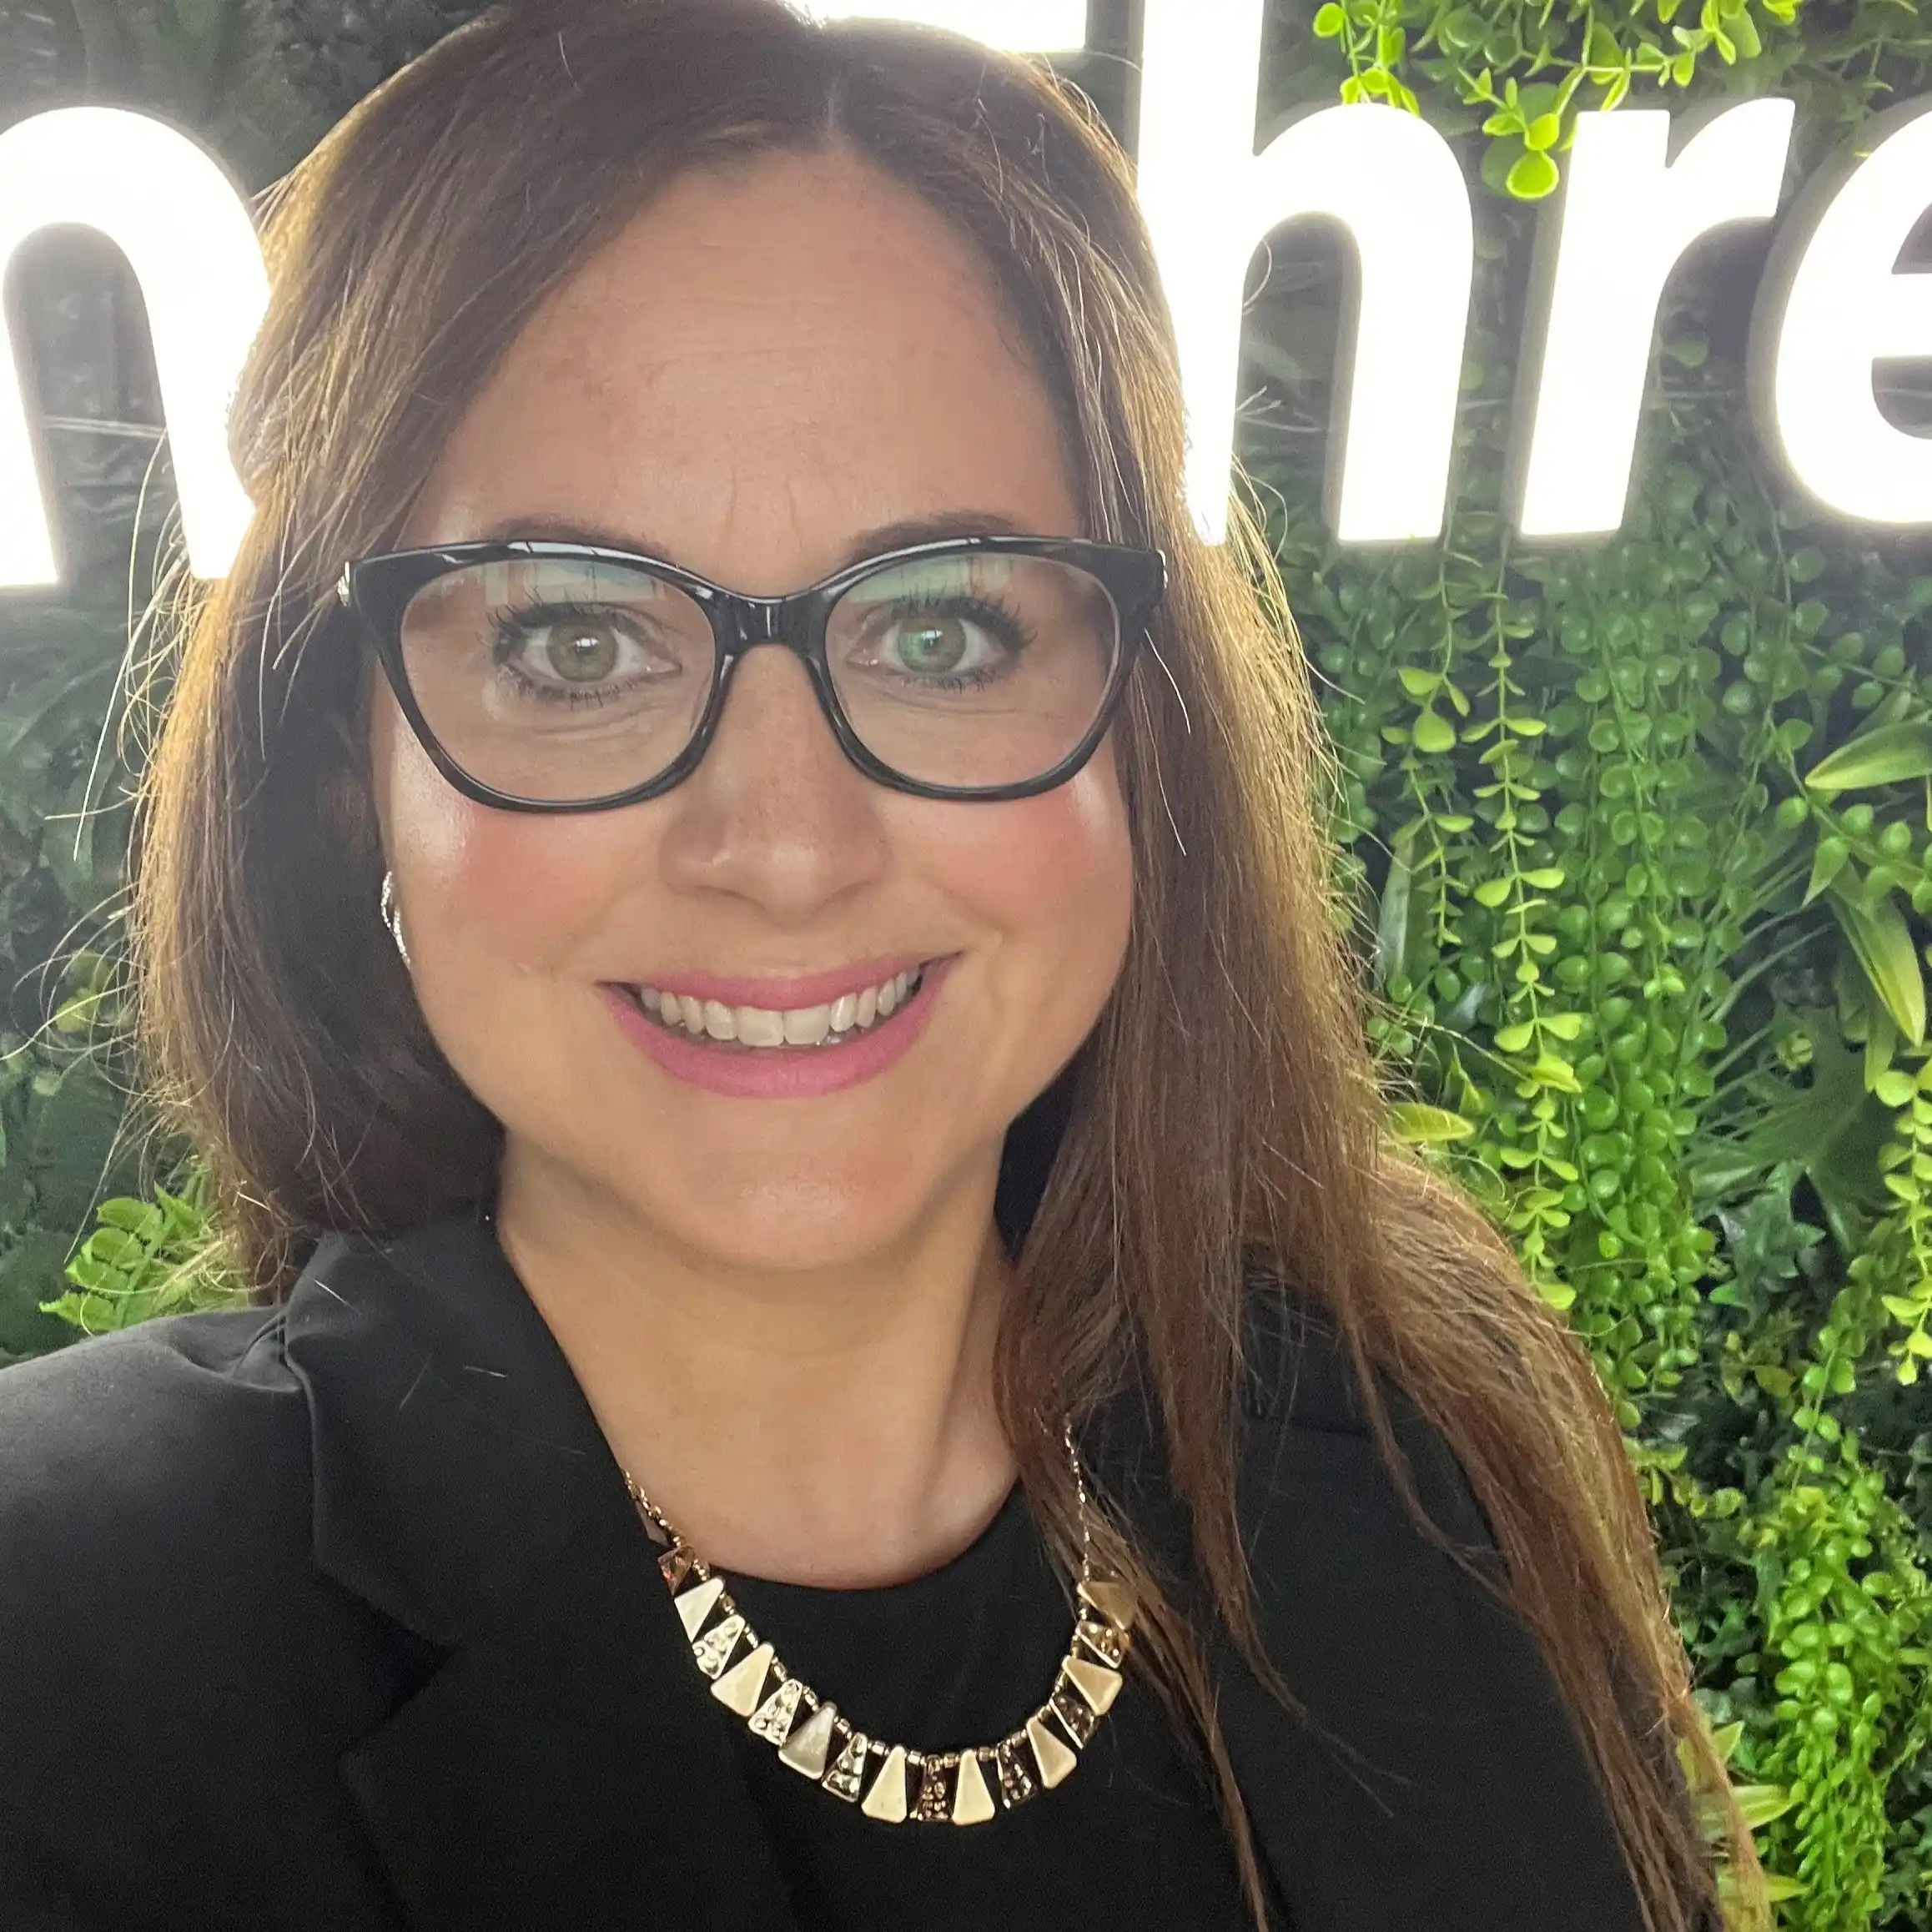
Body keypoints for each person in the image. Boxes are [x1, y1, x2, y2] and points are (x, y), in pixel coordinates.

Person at [0, 3, 1761, 1927]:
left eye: (942, 631)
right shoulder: (75, 1627)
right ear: (352, 768)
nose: (787, 846)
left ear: (1138, 725)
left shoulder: (1415, 1464)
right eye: (576, 645)